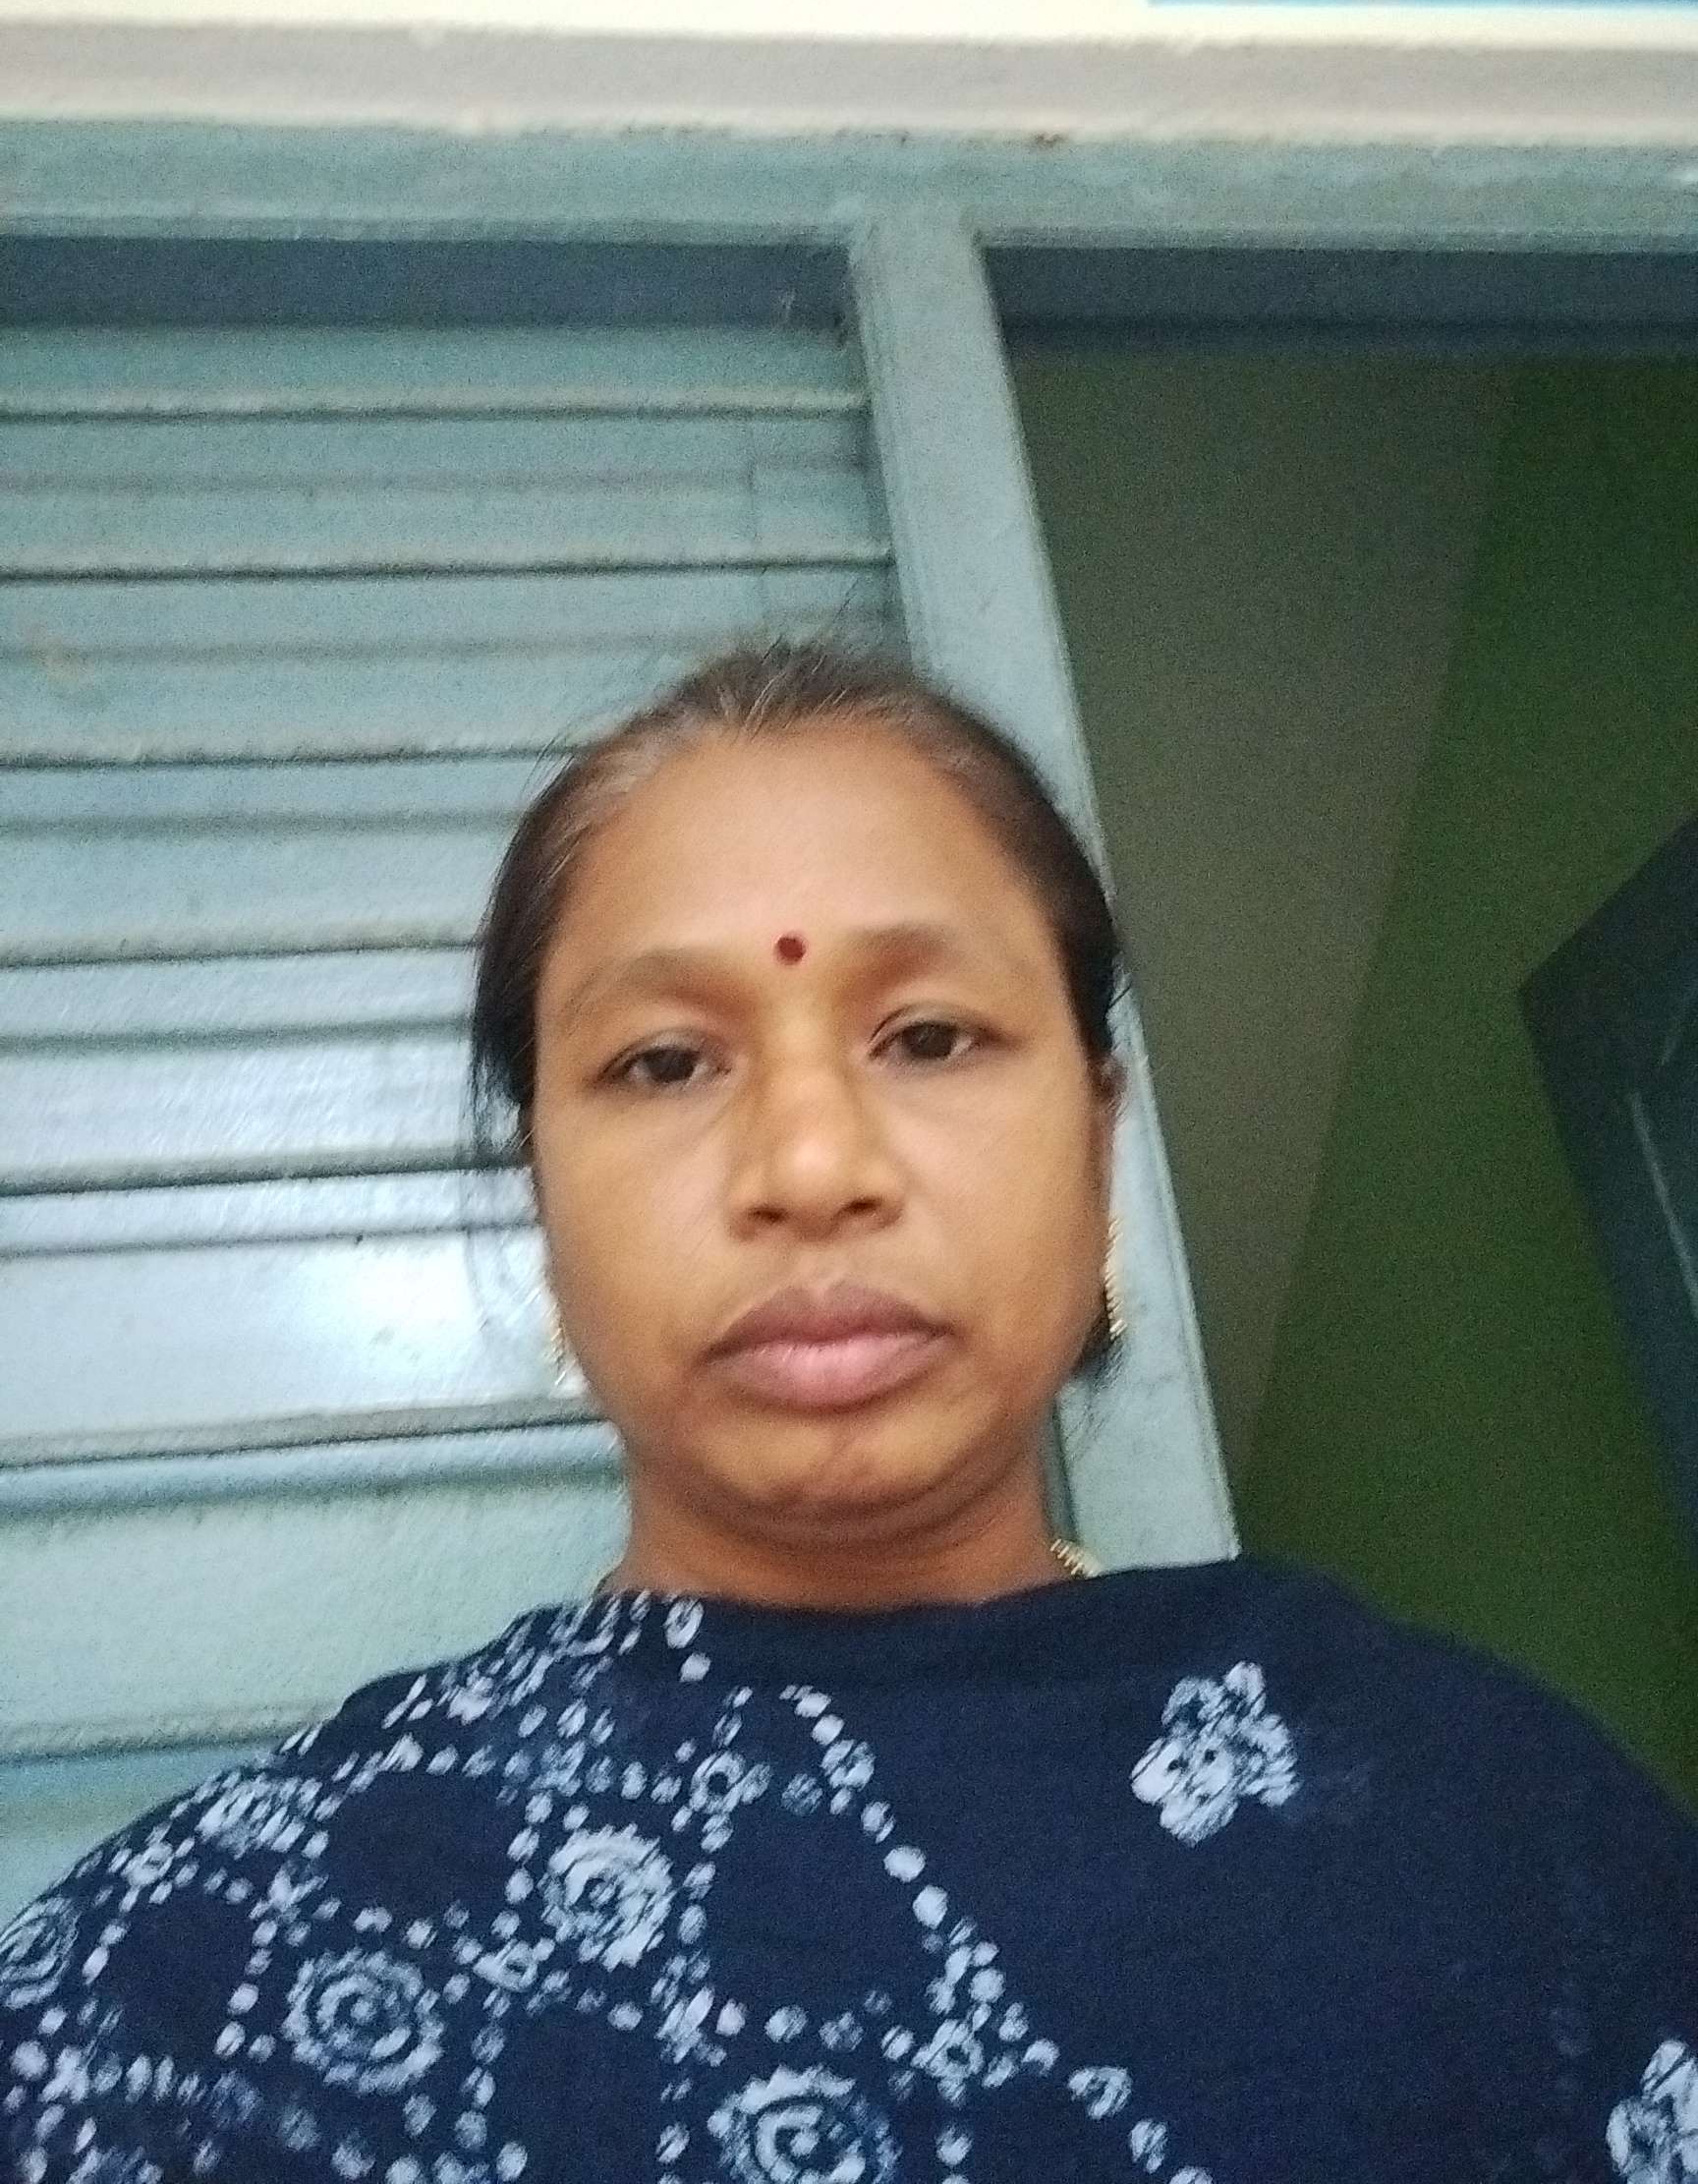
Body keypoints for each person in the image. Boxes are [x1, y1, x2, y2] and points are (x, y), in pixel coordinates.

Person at [2, 642, 1694, 2184]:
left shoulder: (1490, 1826)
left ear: (1098, 1144)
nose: (812, 1166)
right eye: (666, 1062)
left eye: (932, 1036)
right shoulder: (204, 1976)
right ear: (546, 1206)